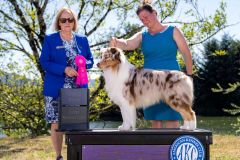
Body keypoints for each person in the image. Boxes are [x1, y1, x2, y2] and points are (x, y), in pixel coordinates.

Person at [109, 2, 193, 129]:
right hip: (148, 83)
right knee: (155, 121)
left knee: (172, 119)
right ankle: (159, 149)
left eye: (146, 17)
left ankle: (172, 147)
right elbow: (127, 44)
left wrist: (190, 75)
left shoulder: (173, 30)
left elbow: (186, 53)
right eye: (141, 19)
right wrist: (117, 41)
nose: (144, 21)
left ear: (154, 13)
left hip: (171, 80)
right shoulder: (142, 35)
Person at [40, 7, 94, 160]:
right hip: (56, 88)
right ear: (59, 22)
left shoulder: (82, 39)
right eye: (63, 20)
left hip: (78, 88)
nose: (67, 22)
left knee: (76, 122)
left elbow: (90, 59)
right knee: (56, 123)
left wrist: (83, 64)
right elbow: (44, 62)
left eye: (70, 19)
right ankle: (58, 156)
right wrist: (64, 69)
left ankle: (77, 155)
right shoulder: (50, 39)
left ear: (74, 22)